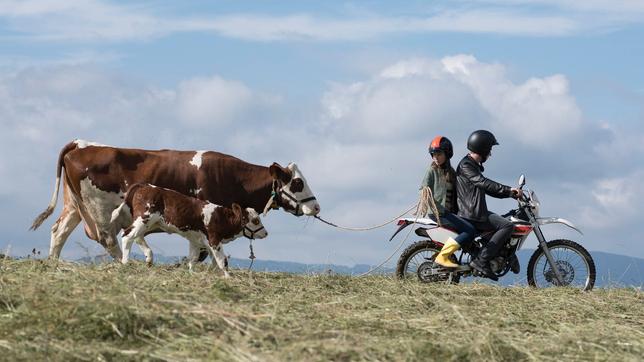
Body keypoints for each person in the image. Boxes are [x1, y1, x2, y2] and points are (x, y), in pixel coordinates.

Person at [456, 130, 522, 281]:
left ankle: (505, 255)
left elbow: (487, 188)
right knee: (507, 226)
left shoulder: (471, 165)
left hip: (475, 211)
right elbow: (483, 183)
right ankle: (482, 260)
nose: (490, 154)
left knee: (507, 219)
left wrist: (509, 194)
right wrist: (508, 190)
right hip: (471, 213)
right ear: (483, 148)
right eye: (489, 150)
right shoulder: (466, 165)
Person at [421, 136, 476, 268]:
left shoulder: (451, 172)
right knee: (470, 231)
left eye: (439, 154)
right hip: (439, 213)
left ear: (447, 154)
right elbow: (423, 189)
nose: (435, 157)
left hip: (448, 213)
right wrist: (429, 199)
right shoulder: (431, 171)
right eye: (433, 154)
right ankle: (443, 256)